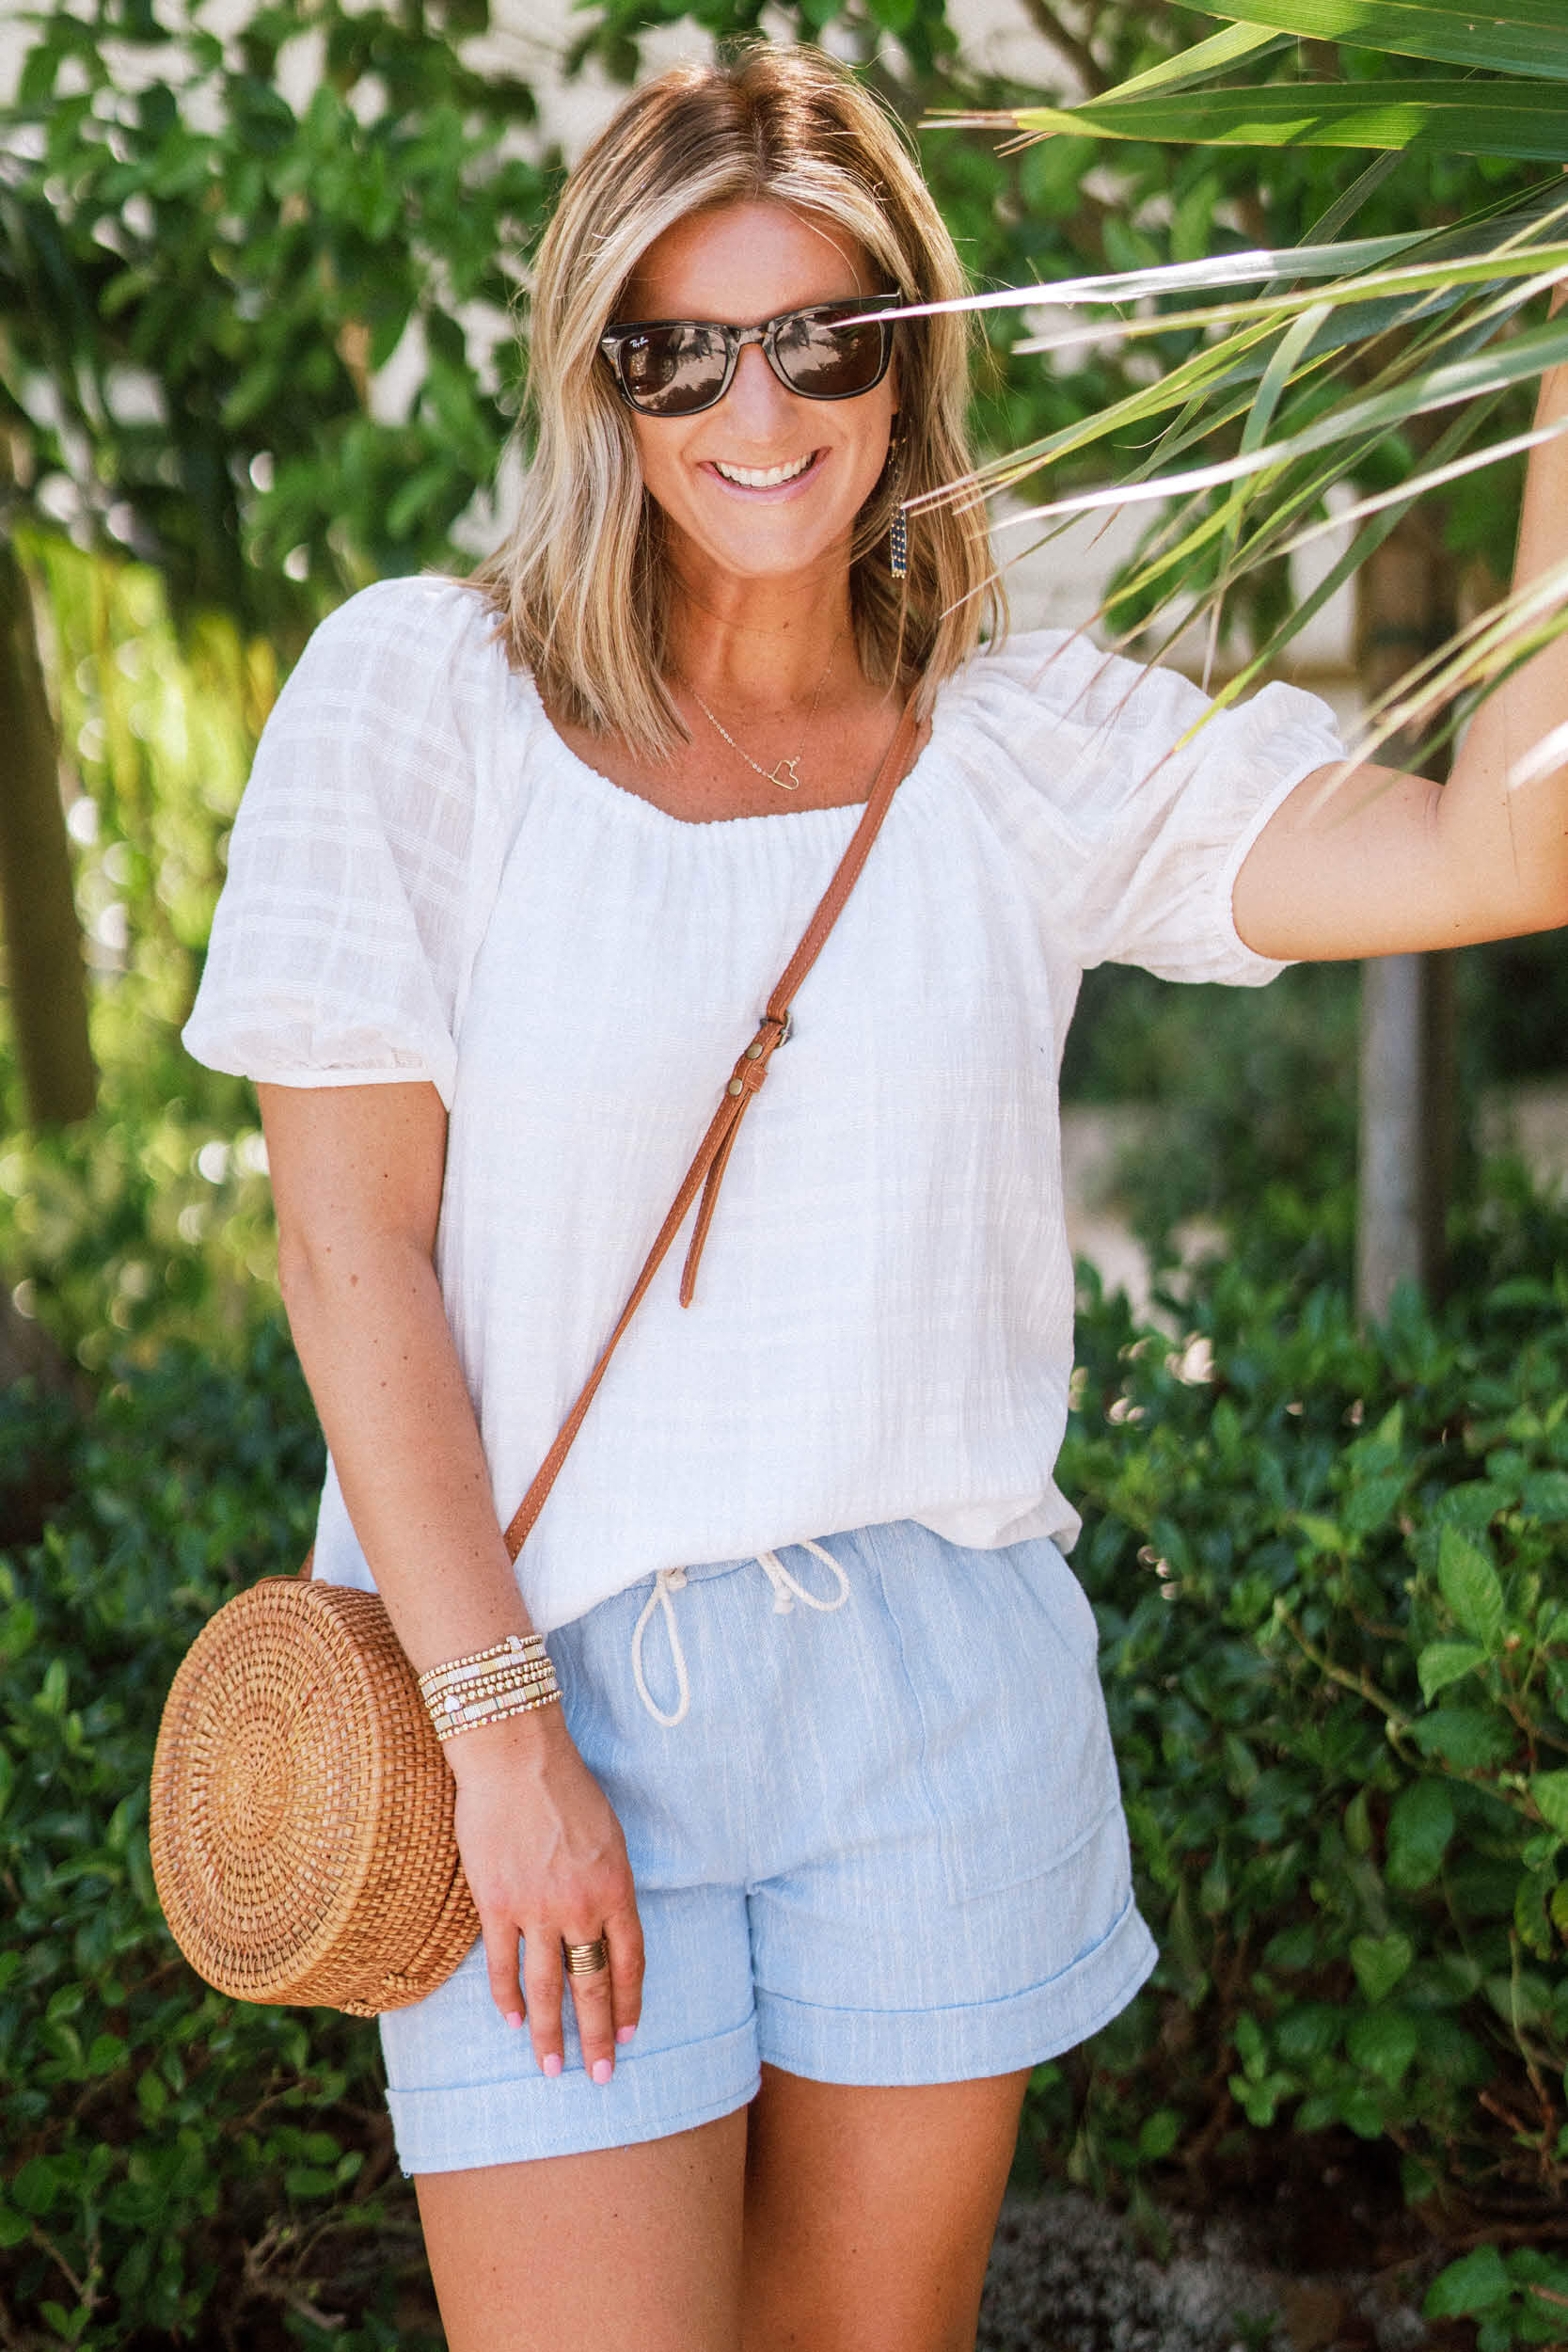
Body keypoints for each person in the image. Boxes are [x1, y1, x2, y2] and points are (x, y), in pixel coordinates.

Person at [181, 40, 1568, 2352]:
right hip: (545, 1670)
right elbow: (353, 1255)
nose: (760, 405)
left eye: (823, 334)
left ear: (908, 367)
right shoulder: (423, 704)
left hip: (932, 1694)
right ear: (596, 377)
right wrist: (505, 1734)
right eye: (681, 347)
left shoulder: (1026, 748)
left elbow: (1506, 840)